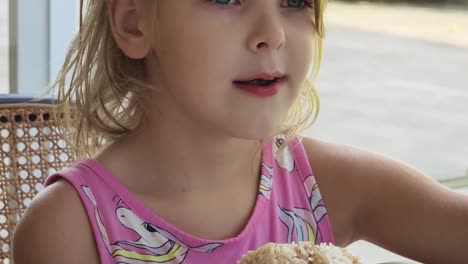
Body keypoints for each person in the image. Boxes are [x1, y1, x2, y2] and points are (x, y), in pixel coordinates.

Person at [12, 0, 468, 263]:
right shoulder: (69, 229)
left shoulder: (324, 185)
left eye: (293, 0)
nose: (272, 33)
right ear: (135, 22)